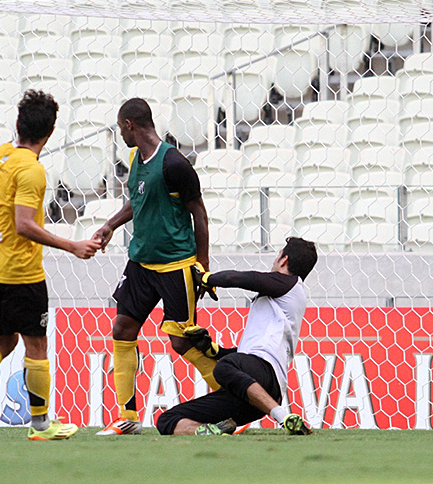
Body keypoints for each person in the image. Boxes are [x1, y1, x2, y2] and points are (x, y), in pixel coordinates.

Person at [0, 90, 101, 441]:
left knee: (3, 339)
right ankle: (41, 424)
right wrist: (72, 245)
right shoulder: (32, 170)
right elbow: (24, 225)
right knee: (36, 346)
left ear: (18, 125)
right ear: (50, 132)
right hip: (20, 273)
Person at [92, 97, 221, 436]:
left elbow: (199, 213)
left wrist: (202, 266)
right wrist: (110, 225)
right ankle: (127, 417)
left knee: (182, 342)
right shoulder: (136, 159)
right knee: (122, 328)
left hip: (176, 265)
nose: (121, 136)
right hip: (140, 263)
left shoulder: (174, 163)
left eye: (121, 129)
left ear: (130, 125)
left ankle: (234, 402)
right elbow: (139, 199)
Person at [156, 237, 317, 436]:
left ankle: (282, 416)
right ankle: (210, 432)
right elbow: (244, 355)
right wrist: (213, 350)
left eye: (278, 255)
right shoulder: (284, 296)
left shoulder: (290, 284)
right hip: (252, 395)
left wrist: (206, 278)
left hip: (266, 375)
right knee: (167, 420)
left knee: (224, 367)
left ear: (284, 260)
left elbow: (239, 279)